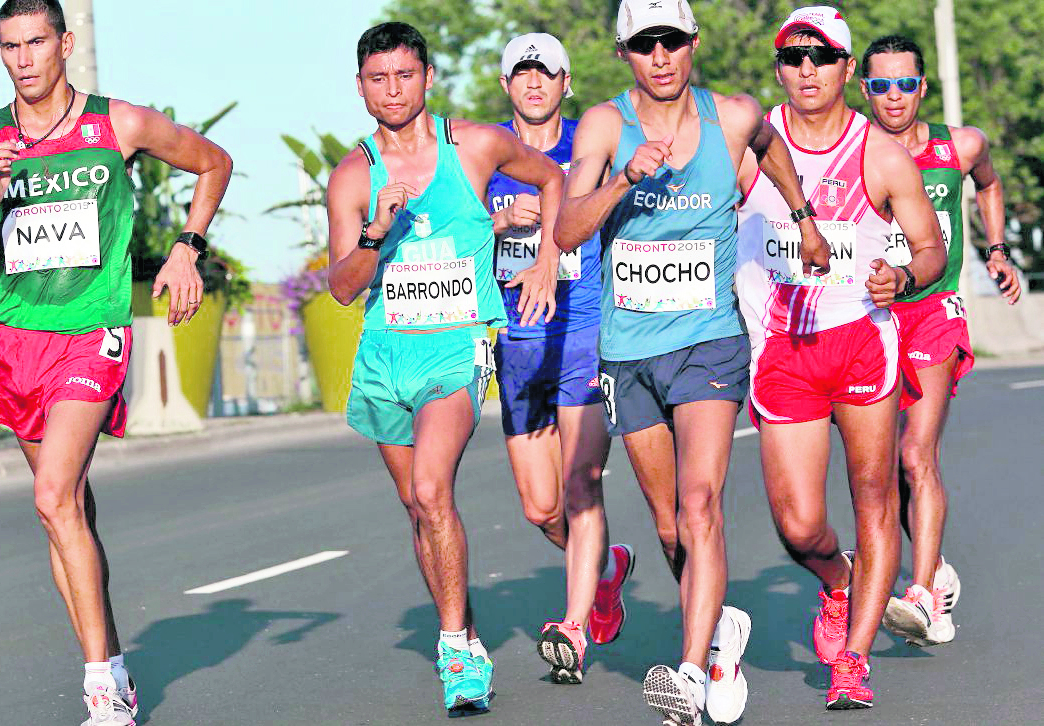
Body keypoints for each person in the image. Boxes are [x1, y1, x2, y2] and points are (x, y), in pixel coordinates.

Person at [0, 2, 232, 724]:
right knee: (66, 508)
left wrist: (185, 248)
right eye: (9, 46)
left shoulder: (119, 123)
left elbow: (213, 162)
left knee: (51, 496)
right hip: (18, 338)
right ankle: (109, 662)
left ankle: (102, 684)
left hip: (92, 332)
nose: (22, 58)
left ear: (64, 43)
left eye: (36, 42)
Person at [557, 1, 826, 722]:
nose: (660, 56)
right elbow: (564, 231)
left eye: (670, 41)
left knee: (699, 502)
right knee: (671, 524)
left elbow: (771, 147)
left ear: (691, 44)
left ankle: (687, 671)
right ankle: (719, 638)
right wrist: (621, 182)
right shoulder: (605, 127)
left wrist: (801, 220)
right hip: (629, 352)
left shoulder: (731, 116)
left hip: (708, 342)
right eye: (643, 44)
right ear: (623, 54)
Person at [325, 21, 563, 715]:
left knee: (432, 490)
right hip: (384, 351)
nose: (392, 90)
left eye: (405, 75)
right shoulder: (353, 173)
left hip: (457, 343)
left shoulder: (475, 145)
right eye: (378, 78)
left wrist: (546, 254)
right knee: (414, 505)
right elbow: (342, 286)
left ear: (428, 78)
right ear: (361, 87)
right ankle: (460, 633)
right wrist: (376, 232)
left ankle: (457, 647)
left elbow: (550, 177)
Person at [735, 8, 946, 711]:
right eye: (792, 58)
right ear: (777, 69)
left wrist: (905, 279)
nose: (806, 70)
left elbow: (929, 249)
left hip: (860, 339)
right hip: (783, 350)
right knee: (797, 525)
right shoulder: (747, 147)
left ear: (845, 70)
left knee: (874, 498)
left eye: (820, 58)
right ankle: (837, 580)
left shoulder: (878, 154)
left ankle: (852, 661)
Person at [860, 35, 1020, 649]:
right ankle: (938, 570)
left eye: (905, 83)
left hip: (935, 312)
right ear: (865, 89)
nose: (894, 96)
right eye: (880, 85)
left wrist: (997, 249)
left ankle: (922, 593)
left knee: (914, 454)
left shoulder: (960, 145)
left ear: (923, 86)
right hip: (873, 320)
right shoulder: (856, 151)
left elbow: (990, 182)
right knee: (880, 469)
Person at [486, 32, 631, 686]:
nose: (534, 83)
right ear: (506, 86)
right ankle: (603, 569)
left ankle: (571, 627)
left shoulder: (591, 144)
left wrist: (558, 214)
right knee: (540, 508)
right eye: (521, 73)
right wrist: (492, 222)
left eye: (545, 73)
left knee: (580, 486)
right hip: (516, 344)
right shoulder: (485, 153)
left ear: (564, 82)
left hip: (582, 333)